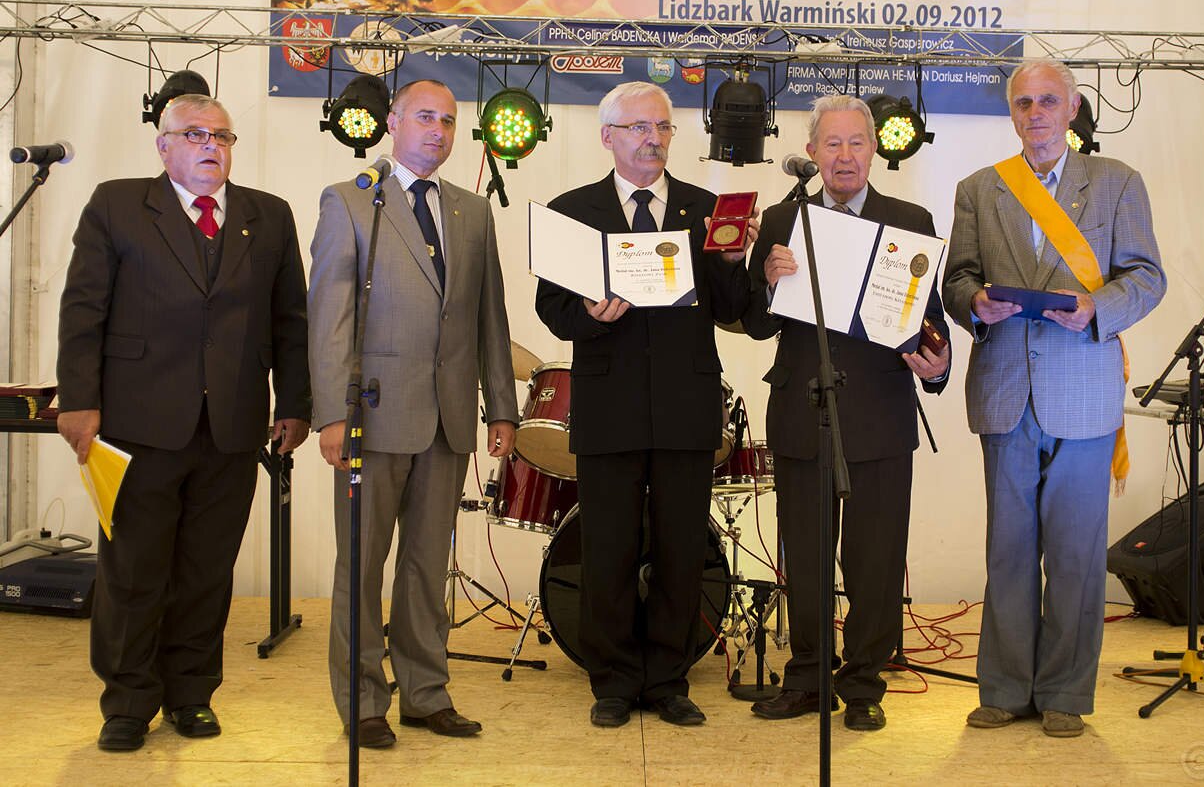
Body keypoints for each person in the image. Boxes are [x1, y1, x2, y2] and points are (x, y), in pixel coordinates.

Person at [56, 94, 311, 752]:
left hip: (232, 425)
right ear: (163, 145)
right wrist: (78, 399)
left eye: (222, 136)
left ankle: (191, 695)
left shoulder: (268, 215)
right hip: (137, 421)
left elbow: (291, 319)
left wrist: (295, 403)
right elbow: (83, 309)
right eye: (194, 134)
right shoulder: (117, 204)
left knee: (206, 571)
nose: (210, 147)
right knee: (134, 570)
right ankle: (127, 702)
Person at [942, 60, 1166, 737]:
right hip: (1005, 390)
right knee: (1008, 552)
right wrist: (974, 304)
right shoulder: (979, 189)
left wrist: (1095, 308)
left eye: (1047, 101)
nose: (1034, 113)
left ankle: (1065, 693)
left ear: (1071, 109)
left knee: (1074, 554)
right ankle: (1005, 689)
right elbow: (957, 279)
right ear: (1010, 112)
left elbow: (1146, 277)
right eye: (1022, 103)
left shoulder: (1117, 181)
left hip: (1083, 390)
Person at [534, 81, 755, 728]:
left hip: (687, 403)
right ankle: (612, 678)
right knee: (608, 549)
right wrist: (589, 315)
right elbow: (553, 309)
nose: (652, 139)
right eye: (638, 127)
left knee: (681, 550)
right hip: (609, 404)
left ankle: (666, 680)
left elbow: (734, 309)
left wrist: (734, 261)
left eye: (662, 127)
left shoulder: (705, 209)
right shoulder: (571, 211)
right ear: (608, 136)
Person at [308, 79, 517, 749]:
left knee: (428, 567)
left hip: (448, 420)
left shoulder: (472, 211)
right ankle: (363, 701)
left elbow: (489, 317)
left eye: (449, 121)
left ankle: (425, 694)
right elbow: (329, 318)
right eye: (425, 117)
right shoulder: (350, 201)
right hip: (371, 416)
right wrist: (330, 414)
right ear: (392, 123)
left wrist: (502, 407)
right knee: (362, 566)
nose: (438, 130)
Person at [742, 94, 951, 731]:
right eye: (831, 144)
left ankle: (863, 683)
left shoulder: (909, 219)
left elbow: (930, 319)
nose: (844, 156)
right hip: (801, 412)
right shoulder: (783, 218)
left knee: (875, 559)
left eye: (856, 142)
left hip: (882, 413)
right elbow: (755, 322)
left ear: (874, 149)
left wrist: (939, 365)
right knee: (805, 557)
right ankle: (808, 676)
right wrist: (767, 280)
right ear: (811, 153)